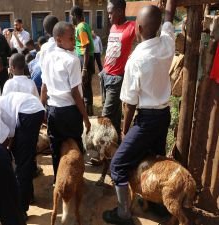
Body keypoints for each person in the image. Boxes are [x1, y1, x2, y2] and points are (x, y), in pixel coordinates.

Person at [102, 0, 176, 224]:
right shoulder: (167, 44)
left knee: (117, 165)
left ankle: (124, 213)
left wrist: (125, 131)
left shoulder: (135, 60)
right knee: (155, 159)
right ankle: (158, 206)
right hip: (163, 116)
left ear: (139, 29)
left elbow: (129, 103)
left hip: (146, 120)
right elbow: (170, 19)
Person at [41, 21, 91, 179]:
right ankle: (76, 179)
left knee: (56, 148)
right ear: (58, 40)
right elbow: (76, 93)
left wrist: (43, 109)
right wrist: (85, 118)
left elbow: (44, 87)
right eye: (71, 38)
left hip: (53, 111)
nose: (75, 42)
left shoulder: (47, 57)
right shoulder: (73, 60)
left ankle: (58, 179)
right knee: (75, 146)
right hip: (70, 112)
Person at [100, 0, 136, 136]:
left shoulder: (132, 27)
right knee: (114, 115)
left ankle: (103, 149)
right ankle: (115, 145)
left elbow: (146, 39)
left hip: (116, 78)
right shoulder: (113, 27)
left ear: (120, 11)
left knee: (105, 116)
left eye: (110, 13)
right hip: (105, 74)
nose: (108, 16)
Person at [71, 5, 95, 116]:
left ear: (75, 16)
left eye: (71, 16)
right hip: (87, 58)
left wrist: (84, 68)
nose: (71, 19)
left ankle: (88, 112)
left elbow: (85, 46)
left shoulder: (80, 27)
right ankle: (89, 111)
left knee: (85, 86)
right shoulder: (85, 25)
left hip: (85, 59)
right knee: (87, 86)